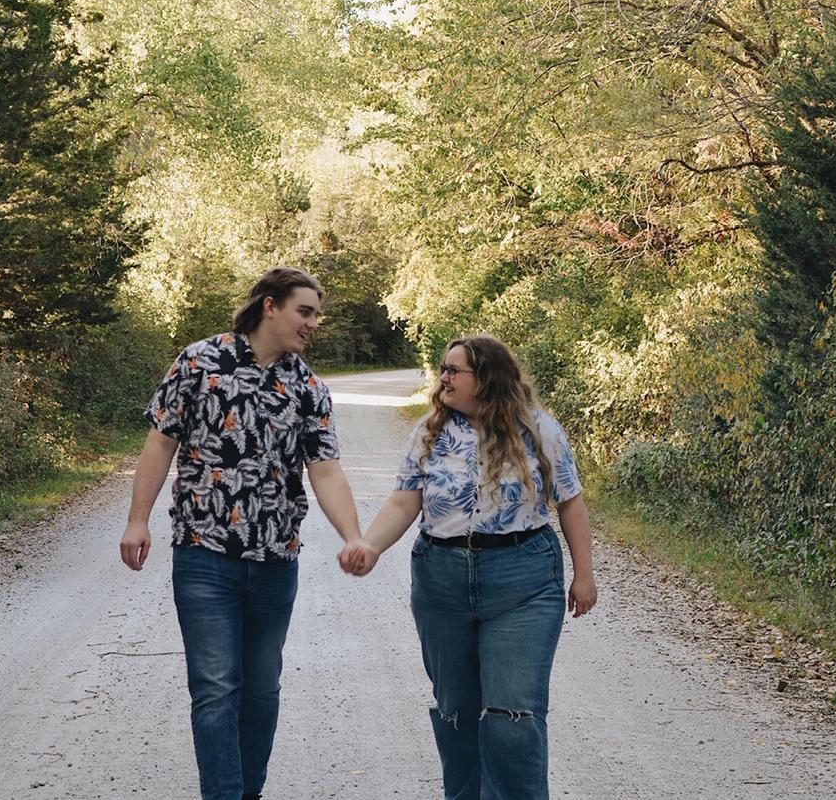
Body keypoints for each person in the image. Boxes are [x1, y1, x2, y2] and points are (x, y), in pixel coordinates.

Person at [119, 266, 364, 800]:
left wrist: (353, 534)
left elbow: (326, 469)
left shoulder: (308, 387)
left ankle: (247, 791)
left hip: (277, 560)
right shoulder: (199, 362)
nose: (313, 323)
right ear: (270, 305)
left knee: (261, 691)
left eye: (318, 314)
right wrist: (138, 519)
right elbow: (160, 443)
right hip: (204, 556)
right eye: (306, 310)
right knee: (214, 689)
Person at [338, 334, 596, 800]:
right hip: (442, 580)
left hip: (523, 580)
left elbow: (570, 502)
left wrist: (584, 574)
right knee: (456, 711)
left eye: (454, 370)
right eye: (443, 369)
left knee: (512, 717)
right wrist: (371, 546)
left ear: (488, 378)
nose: (444, 378)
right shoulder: (430, 430)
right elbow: (403, 500)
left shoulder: (538, 429)